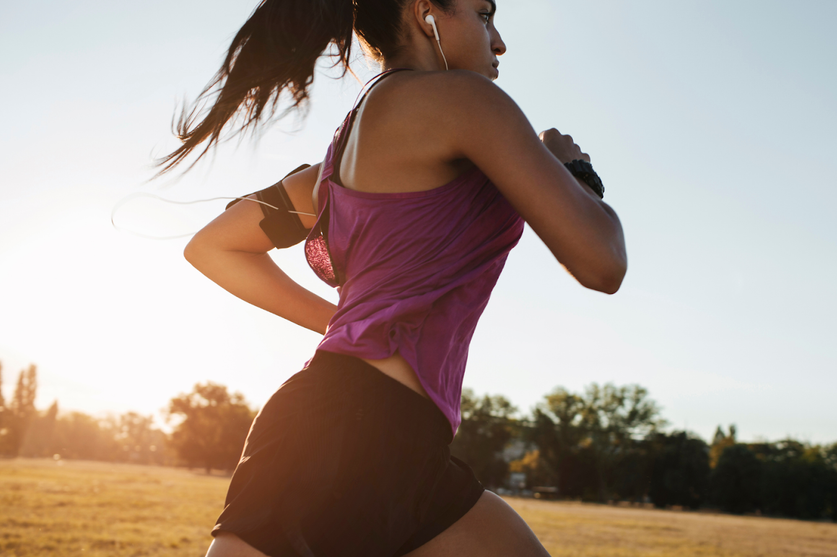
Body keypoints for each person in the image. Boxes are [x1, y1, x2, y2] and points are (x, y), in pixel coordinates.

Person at [164, 0, 626, 554]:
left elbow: (215, 246)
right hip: (341, 436)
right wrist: (573, 170)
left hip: (406, 445)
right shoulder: (468, 102)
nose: (499, 42)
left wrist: (347, 328)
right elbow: (602, 261)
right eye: (484, 14)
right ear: (426, 12)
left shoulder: (333, 171)